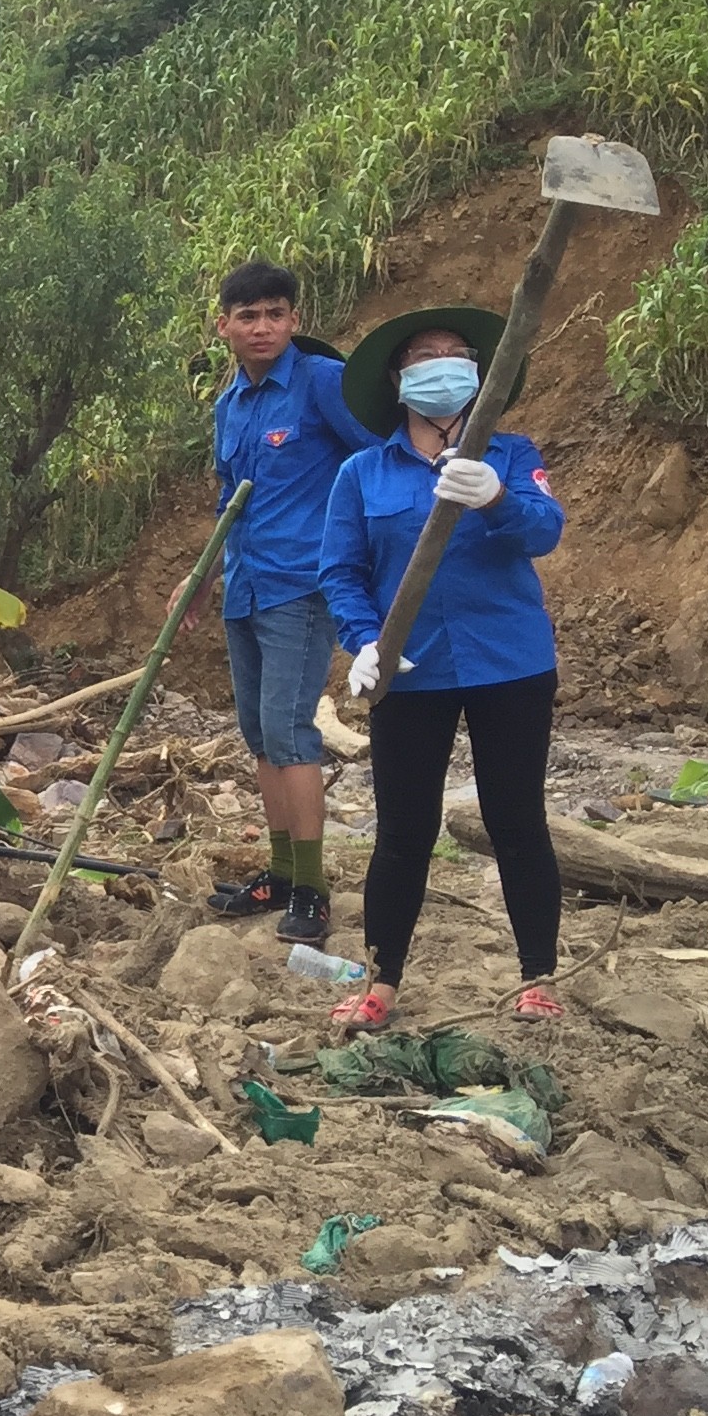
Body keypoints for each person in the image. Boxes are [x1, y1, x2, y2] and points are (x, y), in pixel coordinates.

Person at [318, 306, 566, 1029]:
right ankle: (381, 981)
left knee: (516, 818)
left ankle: (538, 977)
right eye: (426, 354)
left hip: (509, 662)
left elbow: (545, 530)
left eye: (458, 353)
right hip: (409, 671)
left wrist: (495, 497)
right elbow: (341, 571)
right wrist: (365, 641)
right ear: (399, 380)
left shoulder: (513, 455)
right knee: (402, 830)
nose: (444, 363)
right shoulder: (363, 473)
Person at [202, 260, 368, 945]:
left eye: (275, 313)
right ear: (225, 327)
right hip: (244, 584)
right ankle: (277, 871)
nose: (262, 327)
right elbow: (226, 501)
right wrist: (202, 578)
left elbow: (375, 460)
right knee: (259, 734)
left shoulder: (325, 383)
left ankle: (312, 889)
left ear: (294, 320)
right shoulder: (229, 404)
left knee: (292, 731)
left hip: (302, 585)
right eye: (248, 317)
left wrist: (362, 560)